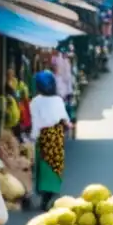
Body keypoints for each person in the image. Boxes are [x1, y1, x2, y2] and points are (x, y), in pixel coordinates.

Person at [30, 71, 71, 211]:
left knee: (44, 164)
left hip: (44, 137)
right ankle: (51, 194)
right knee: (56, 163)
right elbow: (65, 119)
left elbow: (36, 122)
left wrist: (33, 137)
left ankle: (45, 196)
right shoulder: (58, 100)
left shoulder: (35, 102)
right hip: (57, 136)